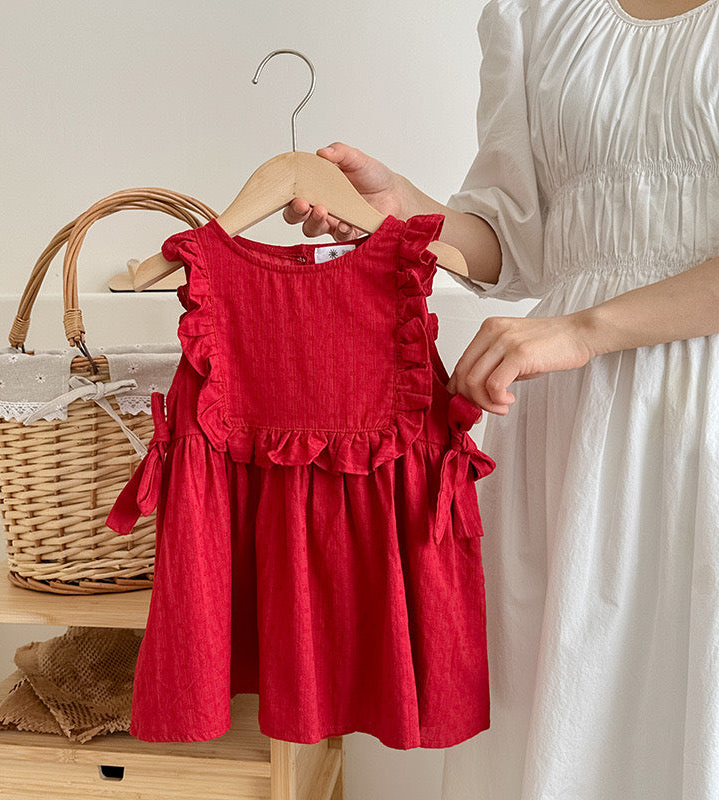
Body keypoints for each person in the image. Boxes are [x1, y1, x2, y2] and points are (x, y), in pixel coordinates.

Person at [282, 0, 719, 797]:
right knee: (563, 720)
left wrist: (584, 328)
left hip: (700, 414)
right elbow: (516, 244)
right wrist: (399, 208)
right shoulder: (535, 13)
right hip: (570, 427)